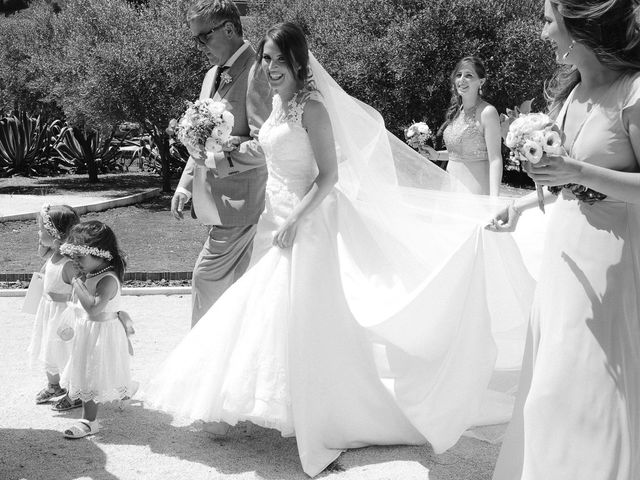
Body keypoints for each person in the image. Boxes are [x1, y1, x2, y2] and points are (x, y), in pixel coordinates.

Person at [143, 22, 535, 477]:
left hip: (307, 223)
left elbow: (327, 176)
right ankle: (274, 405)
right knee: (267, 312)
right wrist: (217, 150)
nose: (269, 68)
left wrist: (296, 218)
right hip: (276, 216)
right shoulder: (276, 104)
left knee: (304, 318)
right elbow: (268, 151)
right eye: (266, 59)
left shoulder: (313, 108)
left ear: (297, 61)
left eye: (276, 59)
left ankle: (320, 422)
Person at [488, 0, 640, 477]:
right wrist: (522, 203)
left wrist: (575, 167)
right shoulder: (570, 96)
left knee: (589, 391)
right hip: (563, 259)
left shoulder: (632, 91)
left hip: (609, 262)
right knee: (551, 390)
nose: (542, 33)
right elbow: (567, 189)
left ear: (579, 27)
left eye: (547, 21)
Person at [171, 0, 272, 326]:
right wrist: (185, 186)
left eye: (204, 37)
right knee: (238, 291)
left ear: (229, 28)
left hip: (243, 202)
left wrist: (218, 160)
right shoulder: (211, 75)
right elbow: (199, 138)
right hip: (216, 204)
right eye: (195, 39)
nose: (199, 46)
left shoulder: (258, 72)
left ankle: (199, 365)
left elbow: (266, 144)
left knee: (206, 280)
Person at [58, 221, 134, 439]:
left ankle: (89, 421)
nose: (76, 263)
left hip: (101, 333)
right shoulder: (92, 273)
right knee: (90, 370)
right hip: (90, 332)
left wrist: (76, 282)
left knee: (90, 375)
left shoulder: (107, 279)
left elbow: (93, 308)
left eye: (80, 258)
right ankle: (127, 387)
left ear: (100, 254)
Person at [28, 204, 82, 412]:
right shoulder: (54, 255)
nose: (38, 232)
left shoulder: (69, 263)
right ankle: (53, 385)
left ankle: (74, 391)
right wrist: (43, 240)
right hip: (48, 311)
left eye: (41, 229)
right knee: (48, 349)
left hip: (62, 314)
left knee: (65, 351)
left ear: (55, 233)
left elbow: (78, 292)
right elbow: (43, 255)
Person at [423, 57, 503, 196]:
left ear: (481, 81)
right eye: (459, 75)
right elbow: (461, 154)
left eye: (469, 75)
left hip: (475, 191)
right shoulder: (457, 112)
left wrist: (494, 199)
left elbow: (495, 159)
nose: (462, 80)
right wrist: (436, 155)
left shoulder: (487, 112)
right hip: (450, 189)